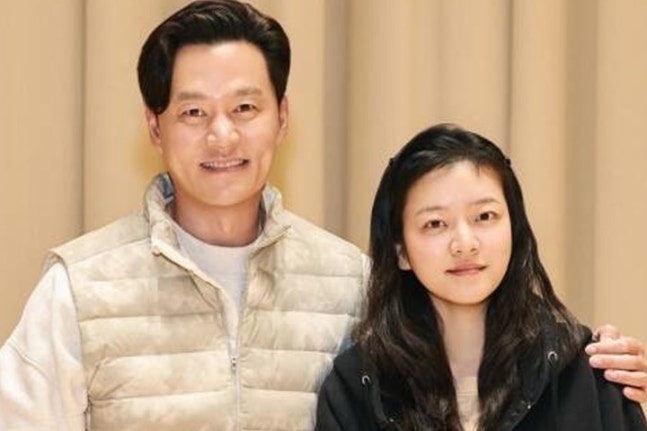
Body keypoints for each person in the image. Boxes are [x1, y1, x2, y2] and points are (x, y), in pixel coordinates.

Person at [0, 2, 644, 430]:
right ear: (154, 125)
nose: (223, 135)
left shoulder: (350, 282)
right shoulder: (80, 289)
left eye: (246, 108)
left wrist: (599, 383)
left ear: (282, 117)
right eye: (194, 112)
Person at [316, 123, 647, 430]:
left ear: (514, 228)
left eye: (484, 216)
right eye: (435, 223)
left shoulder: (588, 373)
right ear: (400, 251)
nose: (465, 244)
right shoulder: (356, 388)